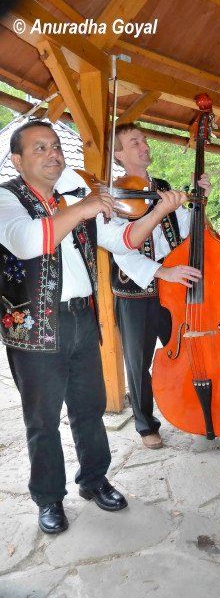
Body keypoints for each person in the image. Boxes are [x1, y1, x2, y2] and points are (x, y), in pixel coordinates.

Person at [0, 120, 187, 533]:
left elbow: (125, 240)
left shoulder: (75, 197)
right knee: (42, 419)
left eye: (56, 148)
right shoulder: (6, 200)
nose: (53, 155)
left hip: (83, 318)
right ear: (17, 160)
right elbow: (30, 241)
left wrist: (157, 211)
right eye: (40, 149)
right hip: (34, 330)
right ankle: (48, 498)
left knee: (89, 408)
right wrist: (84, 205)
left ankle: (94, 479)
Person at [111, 123, 211, 449]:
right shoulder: (112, 197)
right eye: (134, 142)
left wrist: (197, 201)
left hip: (171, 292)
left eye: (144, 139)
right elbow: (121, 250)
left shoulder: (163, 186)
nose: (143, 145)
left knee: (183, 352)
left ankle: (191, 408)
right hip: (134, 293)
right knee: (139, 363)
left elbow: (182, 231)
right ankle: (145, 425)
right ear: (119, 154)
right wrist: (161, 271)